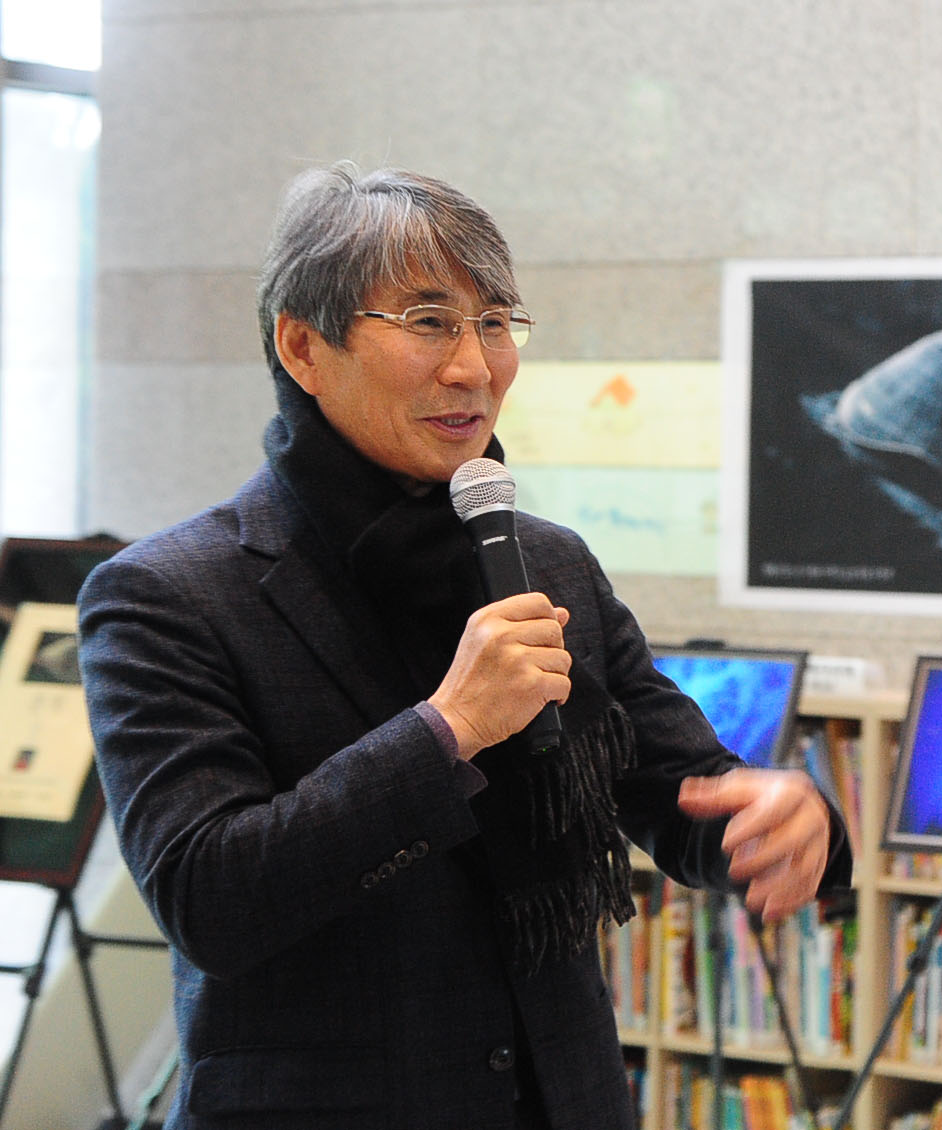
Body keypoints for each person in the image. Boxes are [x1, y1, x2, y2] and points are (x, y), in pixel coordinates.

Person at [75, 162, 850, 1130]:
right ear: (303, 346)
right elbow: (210, 898)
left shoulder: (549, 564)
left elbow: (679, 787)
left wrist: (784, 819)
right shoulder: (169, 594)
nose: (475, 368)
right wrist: (448, 730)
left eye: (495, 323)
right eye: (431, 322)